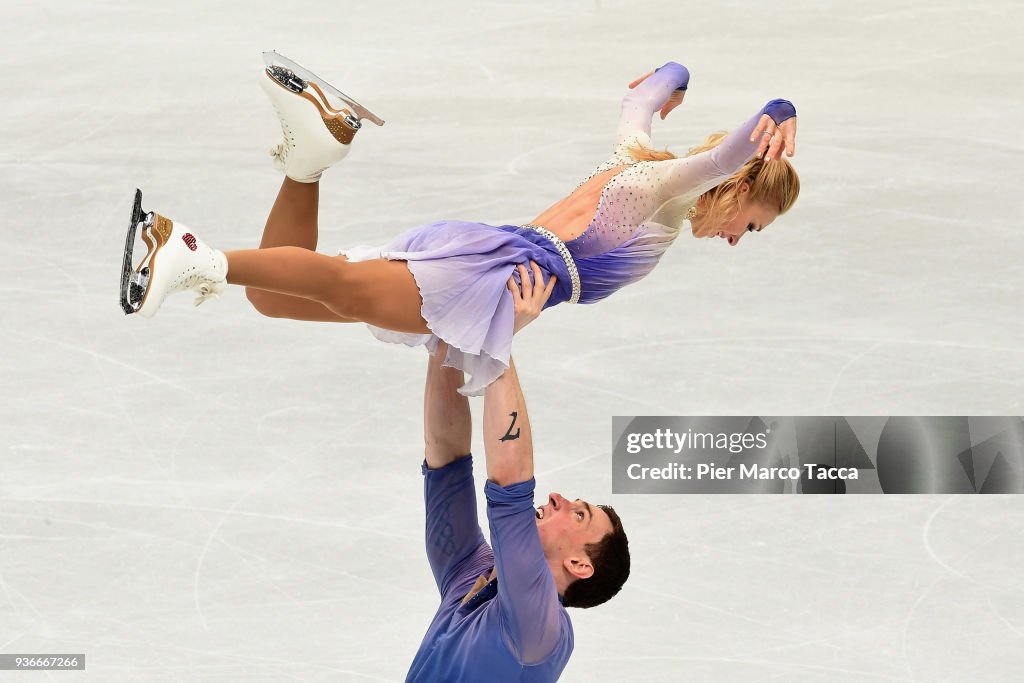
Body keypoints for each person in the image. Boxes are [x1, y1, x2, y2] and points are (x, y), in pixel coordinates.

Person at [120, 53, 799, 395]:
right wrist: (779, 107)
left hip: (492, 262)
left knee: (279, 297)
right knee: (343, 286)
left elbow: (638, 100)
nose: (741, 237)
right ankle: (182, 249)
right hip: (489, 277)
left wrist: (673, 75)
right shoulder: (663, 188)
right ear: (740, 188)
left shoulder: (636, 157)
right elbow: (722, 153)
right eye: (754, 223)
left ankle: (312, 152)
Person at [408, 267, 628, 681]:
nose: (558, 498)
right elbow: (446, 457)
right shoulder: (471, 575)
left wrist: (498, 334)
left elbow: (510, 483)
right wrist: (447, 330)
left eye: (579, 515)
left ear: (580, 564)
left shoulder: (542, 630)